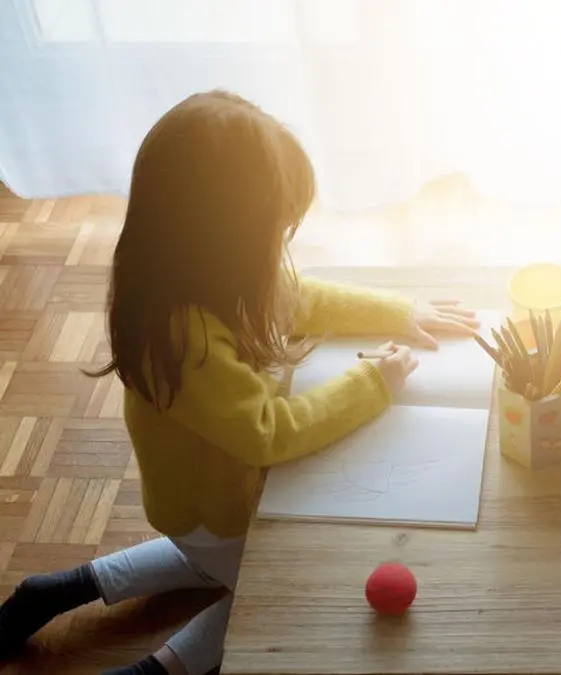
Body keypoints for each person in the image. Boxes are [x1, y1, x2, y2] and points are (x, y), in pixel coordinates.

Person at [0, 91, 480, 675]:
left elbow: (295, 298)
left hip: (210, 505)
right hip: (215, 508)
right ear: (225, 234)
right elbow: (268, 434)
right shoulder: (186, 336)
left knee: (209, 562)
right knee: (272, 589)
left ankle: (54, 591)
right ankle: (155, 670)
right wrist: (373, 381)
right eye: (275, 227)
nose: (281, 240)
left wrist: (397, 312)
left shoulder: (202, 271)